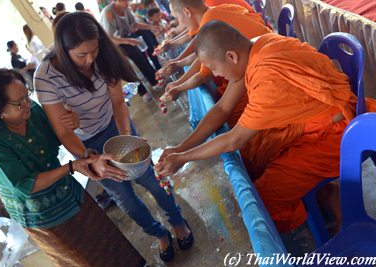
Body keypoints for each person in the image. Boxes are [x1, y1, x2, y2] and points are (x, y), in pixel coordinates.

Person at [156, 21, 376, 233]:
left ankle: (322, 212)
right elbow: (222, 109)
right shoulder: (257, 46)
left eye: (215, 68)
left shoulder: (266, 77)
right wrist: (179, 149)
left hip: (339, 133)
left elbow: (234, 139)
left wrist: (184, 158)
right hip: (314, 121)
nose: (216, 76)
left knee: (262, 201)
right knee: (254, 154)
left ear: (231, 56)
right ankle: (325, 195)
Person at [34, 12, 193, 262]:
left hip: (115, 126)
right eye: (81, 55)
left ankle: (177, 220)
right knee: (125, 199)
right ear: (64, 51)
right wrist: (89, 159)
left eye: (93, 52)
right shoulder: (45, 77)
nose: (89, 60)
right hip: (85, 142)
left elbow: (118, 101)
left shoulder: (103, 56)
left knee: (150, 179)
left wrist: (127, 139)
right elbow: (64, 131)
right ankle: (159, 233)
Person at [0, 69, 146, 267]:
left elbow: (60, 136)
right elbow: (24, 186)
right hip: (40, 214)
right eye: (18, 103)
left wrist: (73, 127)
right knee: (83, 259)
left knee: (109, 243)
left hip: (68, 192)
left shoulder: (33, 111)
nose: (27, 104)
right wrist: (73, 166)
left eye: (27, 96)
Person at [160, 0, 272, 127]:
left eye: (178, 18)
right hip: (268, 47)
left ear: (187, 11)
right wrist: (178, 77)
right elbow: (202, 57)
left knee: (231, 120)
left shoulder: (210, 22)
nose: (180, 23)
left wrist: (179, 87)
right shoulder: (221, 9)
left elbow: (204, 75)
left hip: (261, 72)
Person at [100, 0, 164, 102]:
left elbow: (134, 24)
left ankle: (154, 82)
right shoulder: (109, 13)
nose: (128, 2)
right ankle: (143, 92)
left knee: (141, 59)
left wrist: (150, 27)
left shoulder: (125, 8)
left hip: (126, 38)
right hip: (113, 45)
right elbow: (110, 38)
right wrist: (129, 41)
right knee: (127, 69)